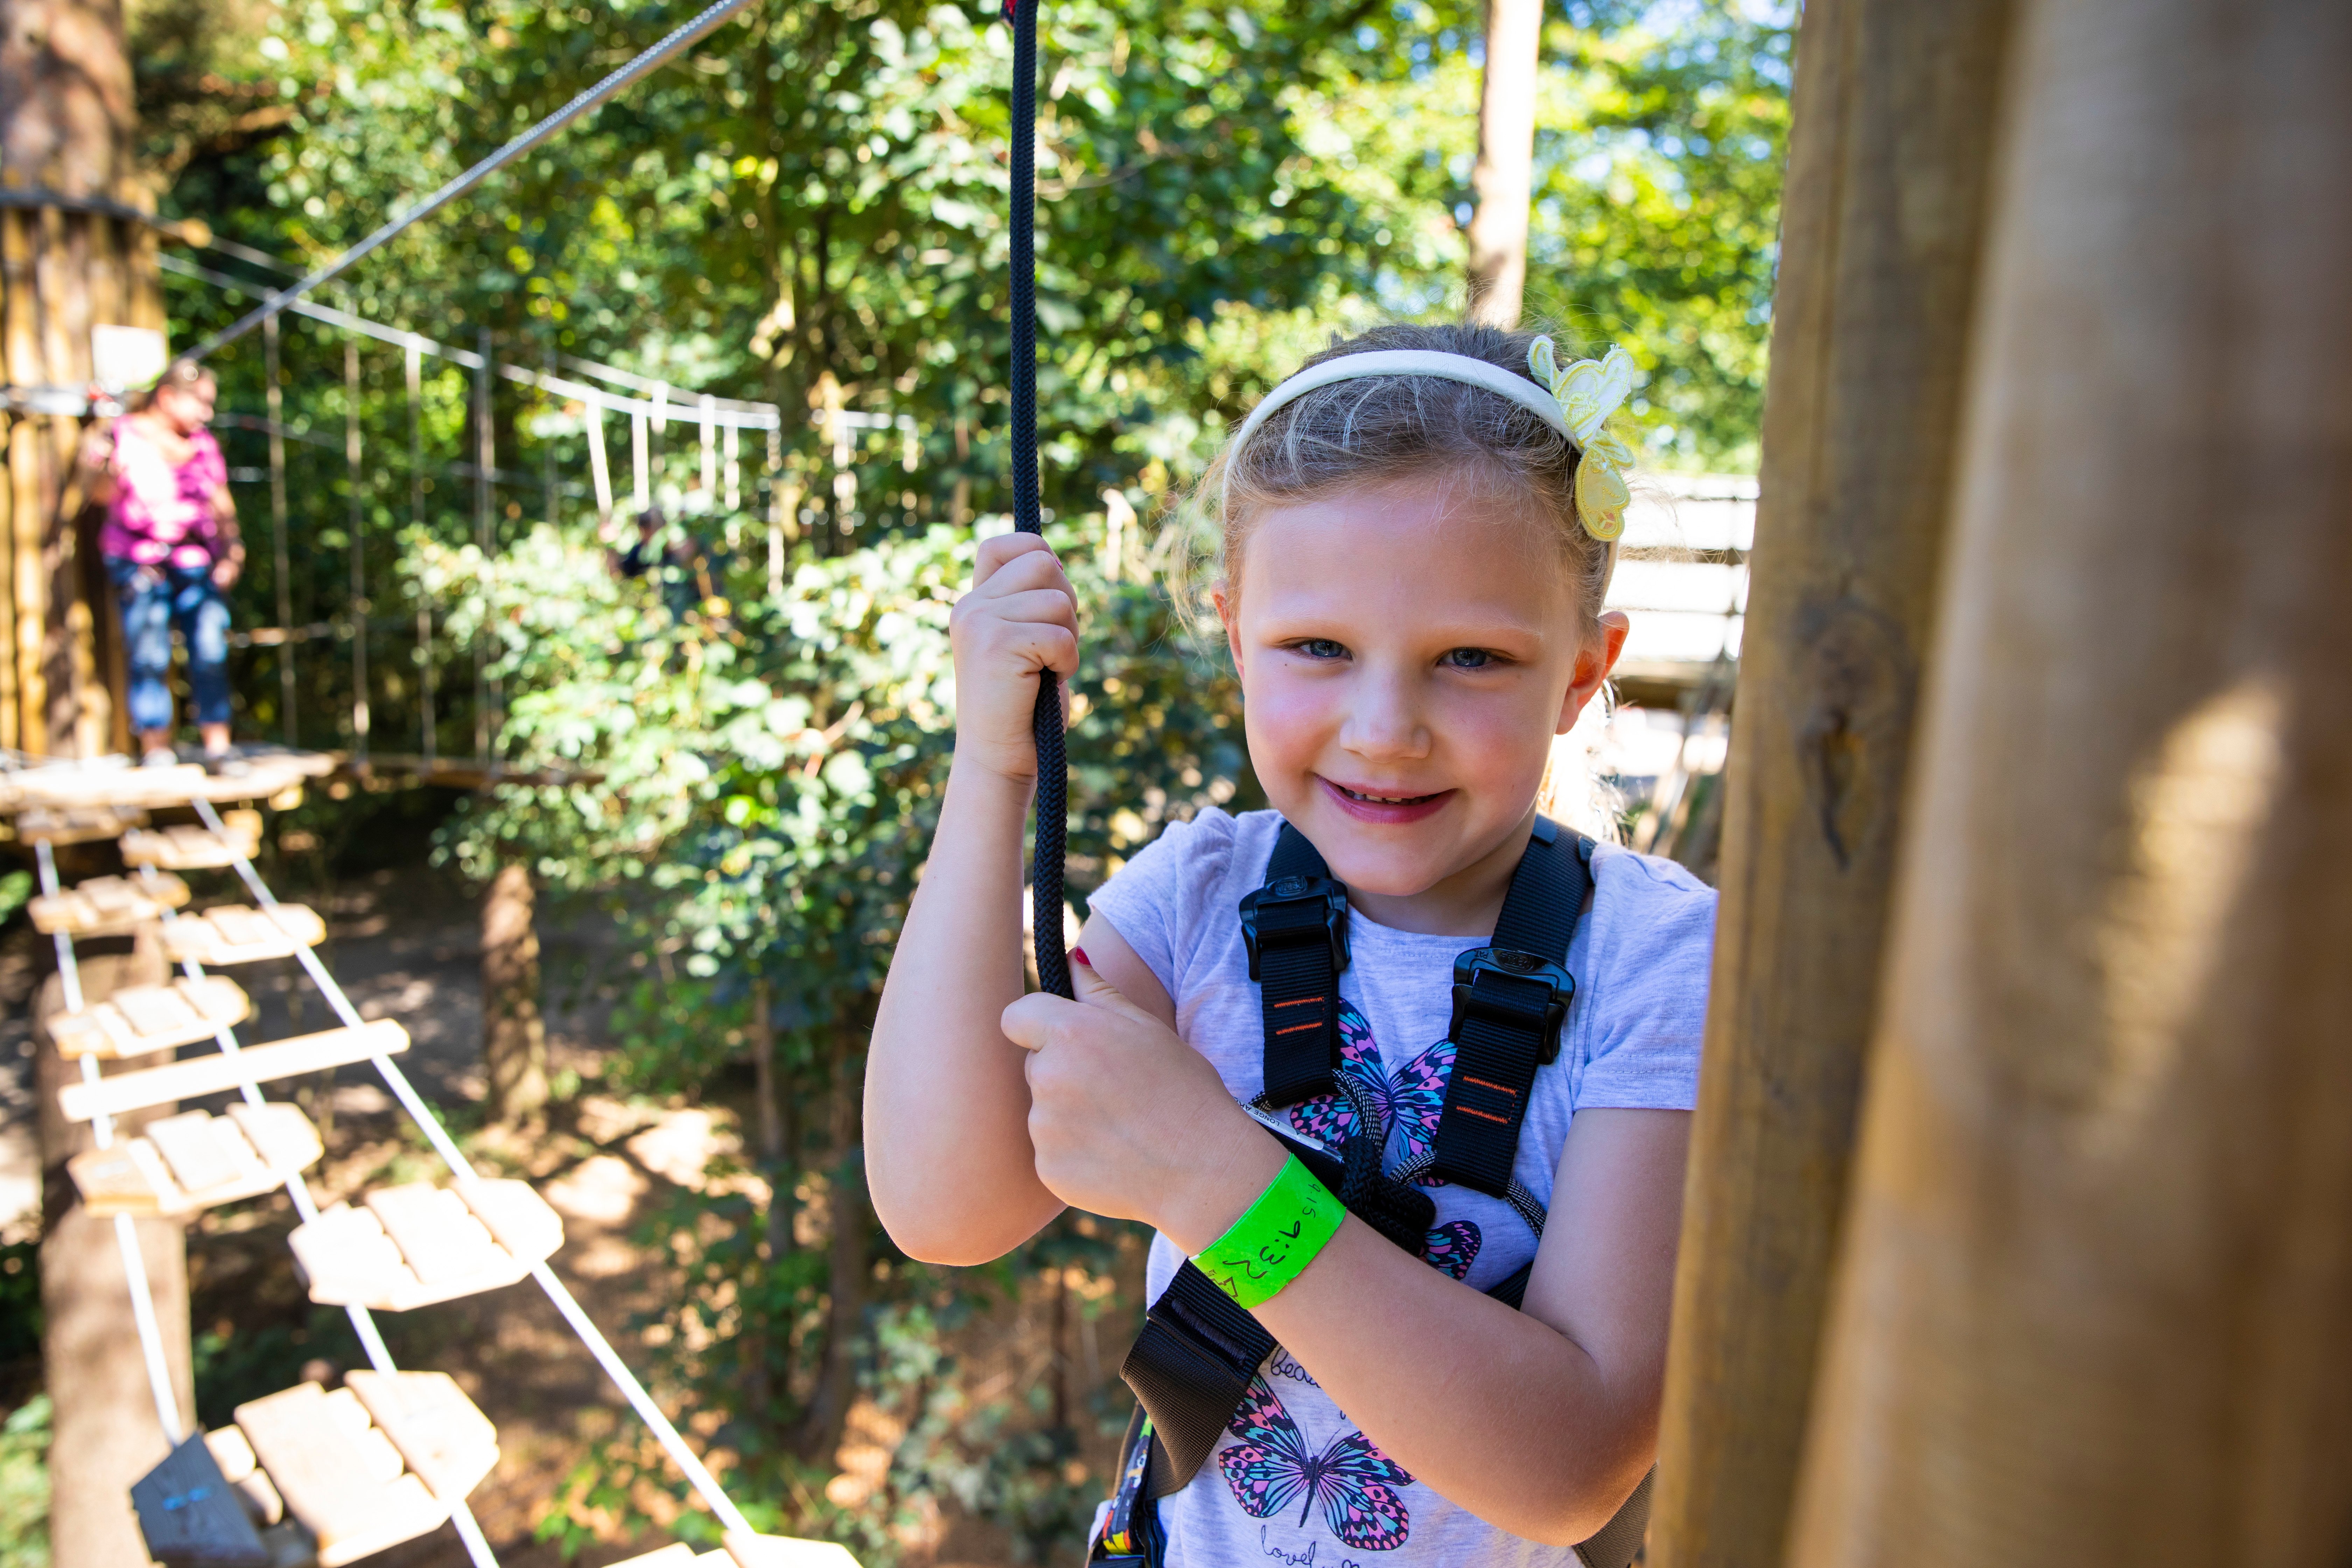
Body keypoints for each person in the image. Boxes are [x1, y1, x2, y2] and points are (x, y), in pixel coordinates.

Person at [868, 322, 1717, 1566]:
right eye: (1315, 648)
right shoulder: (1195, 901)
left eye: (1470, 659)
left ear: (1583, 672)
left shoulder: (1651, 959)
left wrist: (1212, 1181)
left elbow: (1565, 1468)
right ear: (1231, 632)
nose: (1382, 730)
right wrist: (991, 768)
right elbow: (949, 1205)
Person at [80, 358, 247, 770]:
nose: (206, 413)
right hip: (139, 561)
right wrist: (106, 468)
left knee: (209, 647)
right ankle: (156, 748)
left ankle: (218, 746)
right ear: (169, 397)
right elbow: (98, 496)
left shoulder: (202, 443)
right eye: (201, 403)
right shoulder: (123, 435)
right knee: (149, 654)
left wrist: (233, 548)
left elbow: (220, 500)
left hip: (194, 558)